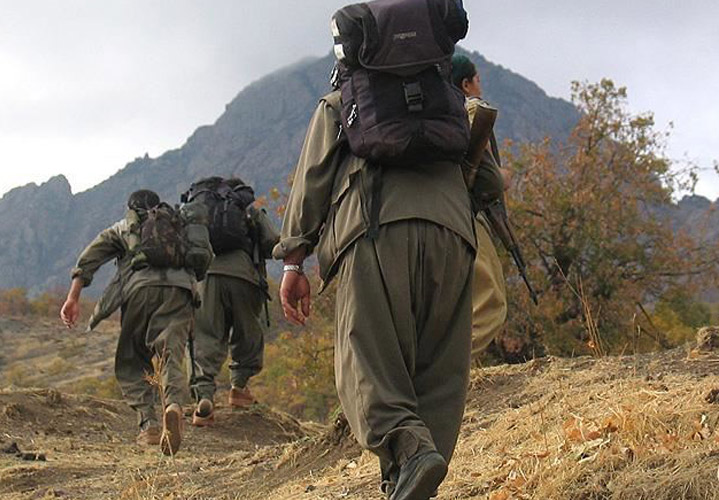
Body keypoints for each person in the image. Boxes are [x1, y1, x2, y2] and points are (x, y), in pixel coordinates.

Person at [275, 51, 475, 500]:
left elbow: (312, 179)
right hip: (455, 238)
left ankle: (409, 451)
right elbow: (488, 182)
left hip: (375, 228)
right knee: (439, 371)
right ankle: (408, 482)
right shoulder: (451, 100)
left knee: (364, 359)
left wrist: (294, 260)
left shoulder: (342, 102)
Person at [59, 189, 212, 455]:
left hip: (139, 291)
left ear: (131, 208)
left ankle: (148, 424)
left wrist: (73, 298)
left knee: (132, 358)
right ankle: (173, 405)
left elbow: (89, 259)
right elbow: (203, 257)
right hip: (180, 291)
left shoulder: (125, 227)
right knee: (170, 352)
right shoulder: (179, 224)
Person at [187, 177, 280, 426]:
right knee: (247, 332)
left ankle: (203, 399)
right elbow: (272, 241)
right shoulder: (245, 205)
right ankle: (239, 388)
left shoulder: (203, 209)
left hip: (207, 277)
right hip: (244, 276)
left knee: (207, 336)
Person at [451, 54, 511, 360]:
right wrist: (503, 177)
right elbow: (484, 177)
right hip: (463, 216)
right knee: (490, 304)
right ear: (465, 84)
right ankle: (447, 374)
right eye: (477, 80)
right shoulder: (472, 111)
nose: (480, 86)